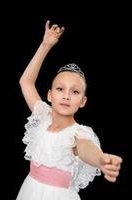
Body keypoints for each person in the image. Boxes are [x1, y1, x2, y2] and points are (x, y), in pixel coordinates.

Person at [16, 20, 122, 200]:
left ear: (82, 101)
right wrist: (45, 45)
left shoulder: (78, 133)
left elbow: (86, 149)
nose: (66, 96)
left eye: (74, 92)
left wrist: (101, 159)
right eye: (60, 89)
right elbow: (25, 82)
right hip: (30, 190)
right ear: (49, 95)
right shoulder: (42, 118)